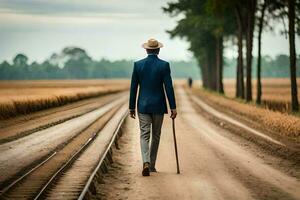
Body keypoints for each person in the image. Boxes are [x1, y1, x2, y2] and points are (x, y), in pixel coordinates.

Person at [129, 38, 177, 176]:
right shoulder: (164, 65)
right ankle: (152, 165)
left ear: (146, 49)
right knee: (156, 135)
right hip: (158, 105)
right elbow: (169, 87)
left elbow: (133, 88)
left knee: (144, 135)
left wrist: (131, 107)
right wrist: (173, 107)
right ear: (158, 50)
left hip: (142, 105)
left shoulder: (138, 65)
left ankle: (145, 161)